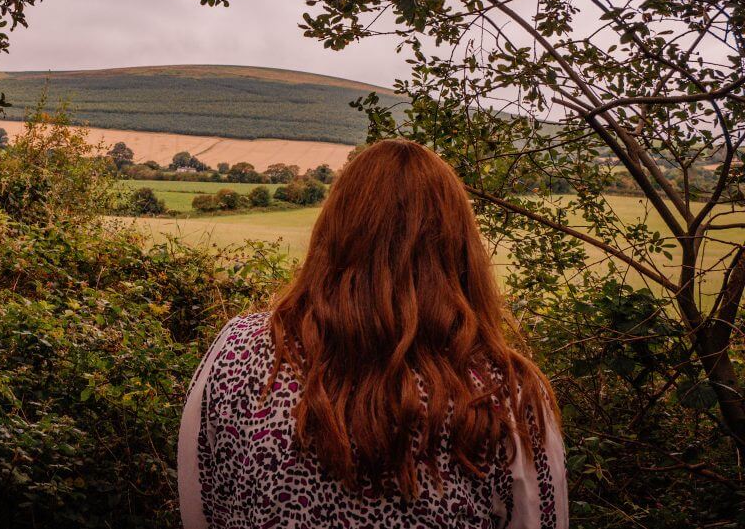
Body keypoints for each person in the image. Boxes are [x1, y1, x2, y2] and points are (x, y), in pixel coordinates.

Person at [178, 139, 567, 528]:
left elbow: (202, 505)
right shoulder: (505, 393)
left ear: (332, 231)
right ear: (458, 246)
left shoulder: (237, 351)